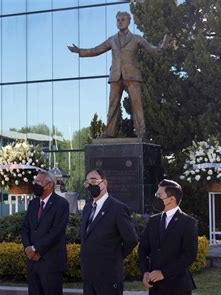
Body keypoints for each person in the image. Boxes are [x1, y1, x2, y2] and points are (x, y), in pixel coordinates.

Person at [68, 11, 169, 139]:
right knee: (113, 105)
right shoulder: (112, 40)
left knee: (136, 105)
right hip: (116, 76)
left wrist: (163, 45)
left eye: (123, 19)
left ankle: (141, 132)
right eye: (118, 20)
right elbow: (96, 50)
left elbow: (154, 50)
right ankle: (109, 133)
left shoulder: (137, 38)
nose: (120, 22)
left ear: (128, 22)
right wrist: (79, 51)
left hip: (132, 76)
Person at [80, 168, 138, 295]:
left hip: (109, 275)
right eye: (87, 182)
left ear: (104, 183)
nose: (90, 185)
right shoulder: (87, 207)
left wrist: (115, 256)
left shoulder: (118, 208)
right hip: (89, 276)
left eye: (94, 181)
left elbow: (131, 239)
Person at [139, 179, 198, 295]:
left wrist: (164, 273)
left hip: (178, 287)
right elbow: (143, 249)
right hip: (155, 287)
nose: (156, 198)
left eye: (159, 195)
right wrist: (145, 272)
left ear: (172, 199)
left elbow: (189, 255)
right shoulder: (153, 221)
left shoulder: (188, 223)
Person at [21, 171, 70, 295]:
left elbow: (56, 232)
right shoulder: (33, 204)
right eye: (35, 181)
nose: (36, 184)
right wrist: (28, 248)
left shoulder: (61, 204)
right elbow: (25, 228)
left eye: (39, 182)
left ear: (49, 185)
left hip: (51, 262)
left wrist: (36, 248)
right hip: (33, 262)